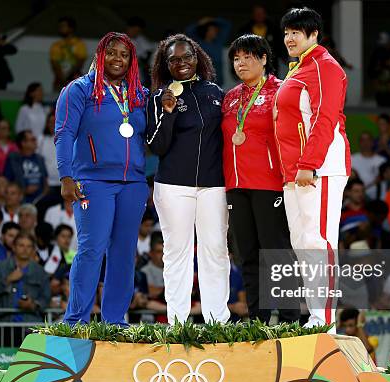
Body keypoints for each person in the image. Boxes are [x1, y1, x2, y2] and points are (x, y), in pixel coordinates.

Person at [55, 32, 149, 326]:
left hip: (133, 184)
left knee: (123, 254)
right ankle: (76, 320)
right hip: (93, 182)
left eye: (124, 54)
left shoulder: (138, 96)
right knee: (91, 248)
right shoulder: (78, 90)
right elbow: (64, 133)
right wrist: (66, 176)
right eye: (111, 52)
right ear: (99, 55)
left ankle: (115, 320)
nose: (117, 59)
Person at [275, 8, 351, 331]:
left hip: (319, 167)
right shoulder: (299, 69)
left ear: (314, 34)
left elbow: (325, 118)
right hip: (295, 172)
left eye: (297, 32)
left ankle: (325, 321)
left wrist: (309, 164)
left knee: (319, 241)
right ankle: (316, 316)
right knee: (302, 242)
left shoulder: (325, 67)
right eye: (287, 33)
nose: (290, 38)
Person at [147, 33, 230, 324]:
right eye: (174, 59)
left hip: (214, 186)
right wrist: (167, 113)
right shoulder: (158, 97)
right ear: (165, 64)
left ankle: (217, 321)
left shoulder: (217, 94)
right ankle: (177, 322)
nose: (181, 63)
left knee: (216, 252)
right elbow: (156, 146)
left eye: (187, 57)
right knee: (176, 254)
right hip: (172, 186)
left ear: (197, 58)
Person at [221, 34, 299, 323]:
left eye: (248, 57)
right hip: (236, 185)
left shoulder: (282, 91)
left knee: (276, 253)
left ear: (264, 58)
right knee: (248, 255)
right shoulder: (230, 97)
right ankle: (257, 320)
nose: (241, 63)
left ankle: (290, 319)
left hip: (270, 184)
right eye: (237, 58)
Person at [0, 232, 50, 322]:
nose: (25, 249)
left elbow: (46, 298)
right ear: (14, 247)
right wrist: (7, 280)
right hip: (4, 324)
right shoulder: (0, 267)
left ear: (33, 249)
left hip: (31, 323)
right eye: (21, 245)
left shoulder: (40, 272)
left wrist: (33, 305)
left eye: (29, 246)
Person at [4, 130, 48, 203]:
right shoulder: (13, 159)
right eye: (32, 139)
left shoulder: (40, 159)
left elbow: (46, 182)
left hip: (40, 201)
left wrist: (42, 197)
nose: (35, 141)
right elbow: (7, 181)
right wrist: (23, 190)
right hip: (20, 201)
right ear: (23, 143)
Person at [186, 17, 231, 87]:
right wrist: (200, 23)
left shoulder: (219, 42)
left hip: (218, 81)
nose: (215, 32)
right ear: (206, 31)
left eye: (216, 30)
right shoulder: (198, 43)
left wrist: (212, 19)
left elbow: (227, 25)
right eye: (212, 30)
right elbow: (189, 31)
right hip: (203, 81)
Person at [50, 16, 87, 92]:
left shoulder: (79, 44)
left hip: (74, 79)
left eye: (63, 26)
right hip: (59, 81)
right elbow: (54, 64)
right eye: (59, 26)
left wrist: (68, 77)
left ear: (71, 28)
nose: (60, 28)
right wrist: (62, 78)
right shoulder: (56, 45)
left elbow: (80, 62)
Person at [352, 132, 386, 200]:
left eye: (368, 140)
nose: (365, 142)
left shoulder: (382, 160)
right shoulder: (351, 159)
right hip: (357, 200)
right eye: (363, 140)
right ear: (359, 143)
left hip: (378, 200)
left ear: (373, 142)